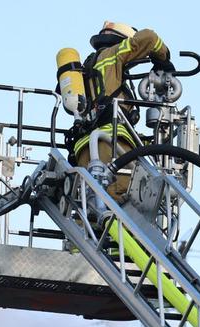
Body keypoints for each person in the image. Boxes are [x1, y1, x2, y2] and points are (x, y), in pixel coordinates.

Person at [70, 21, 174, 199]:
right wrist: (163, 59)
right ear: (121, 41)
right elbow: (149, 38)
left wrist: (148, 144)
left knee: (90, 203)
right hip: (110, 146)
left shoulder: (86, 70)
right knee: (118, 199)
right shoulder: (113, 55)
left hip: (84, 149)